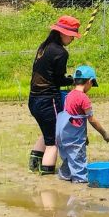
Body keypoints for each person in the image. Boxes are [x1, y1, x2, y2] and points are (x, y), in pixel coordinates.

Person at [28, 15, 80, 175]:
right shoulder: (60, 52)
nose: (72, 39)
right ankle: (47, 175)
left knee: (47, 133)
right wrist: (70, 80)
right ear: (62, 33)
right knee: (54, 141)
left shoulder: (44, 47)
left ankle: (33, 167)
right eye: (71, 36)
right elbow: (58, 79)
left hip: (33, 99)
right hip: (48, 100)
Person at [56, 65, 109, 183]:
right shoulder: (83, 98)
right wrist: (104, 133)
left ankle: (65, 176)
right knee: (79, 161)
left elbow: (73, 118)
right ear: (90, 81)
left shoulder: (69, 95)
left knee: (69, 157)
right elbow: (91, 119)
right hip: (74, 137)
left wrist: (84, 136)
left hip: (62, 134)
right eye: (92, 84)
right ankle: (80, 184)